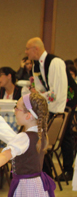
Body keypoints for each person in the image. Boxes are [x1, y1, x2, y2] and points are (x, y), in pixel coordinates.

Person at [25, 37, 71, 180]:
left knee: (65, 137)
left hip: (62, 105)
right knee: (42, 135)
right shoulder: (36, 65)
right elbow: (39, 89)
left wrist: (56, 113)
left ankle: (68, 170)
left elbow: (57, 93)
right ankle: (46, 171)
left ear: (36, 49)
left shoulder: (55, 62)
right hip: (48, 106)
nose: (26, 52)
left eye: (27, 49)